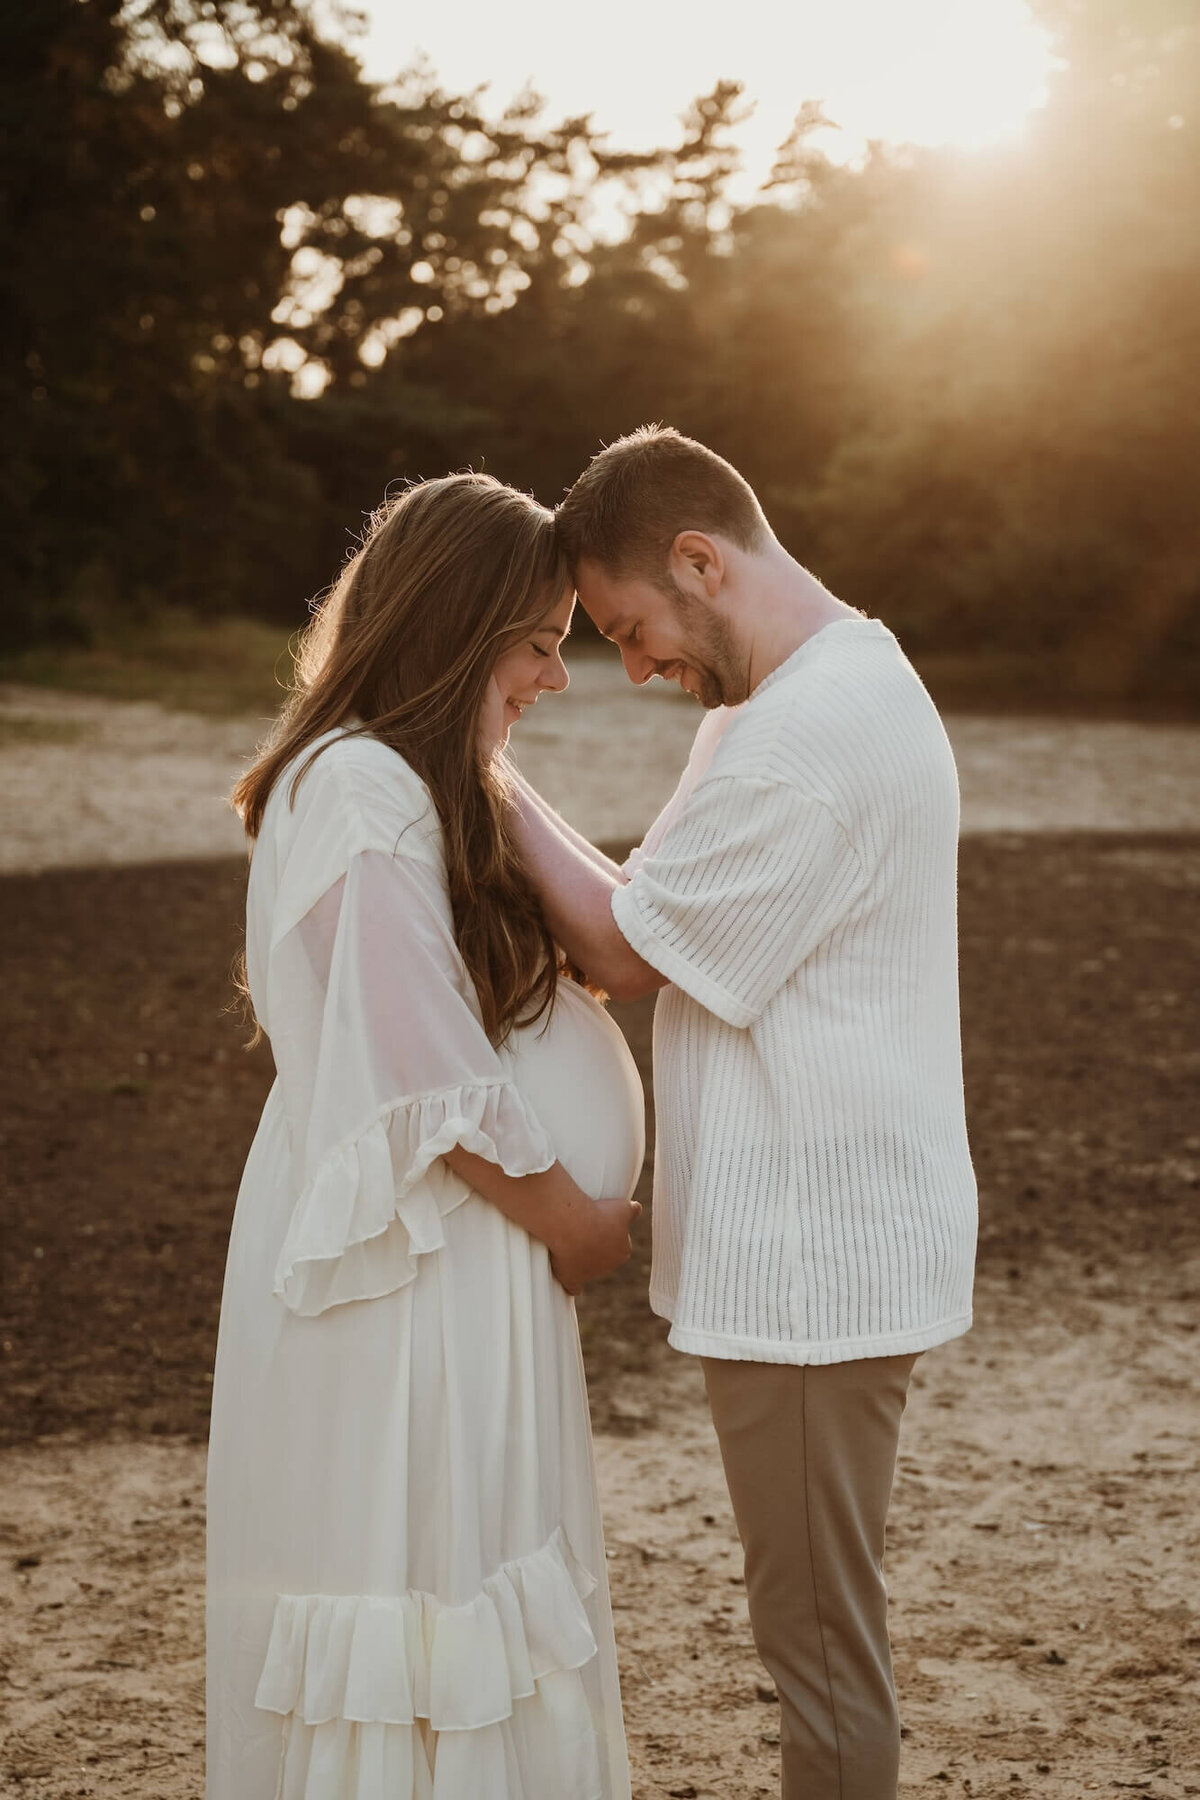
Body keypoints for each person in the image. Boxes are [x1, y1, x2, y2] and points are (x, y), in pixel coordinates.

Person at [509, 427, 978, 1800]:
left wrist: (469, 760)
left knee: (823, 1652)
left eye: (633, 628)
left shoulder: (810, 735)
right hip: (815, 1242)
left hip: (817, 1263)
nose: (639, 667)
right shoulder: (777, 708)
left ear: (701, 560)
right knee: (818, 1635)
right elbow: (644, 900)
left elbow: (617, 949)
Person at [207, 473, 643, 1800]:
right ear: (459, 624)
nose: (555, 678)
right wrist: (572, 1216)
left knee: (471, 1562)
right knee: (411, 1571)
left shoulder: (416, 778)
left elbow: (619, 945)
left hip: (470, 1247)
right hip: (414, 1255)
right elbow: (421, 1073)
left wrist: (480, 750)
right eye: (540, 642)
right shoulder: (350, 787)